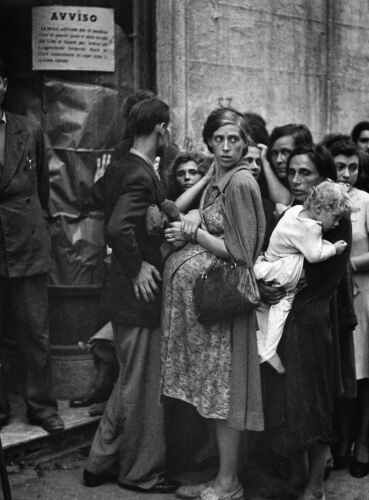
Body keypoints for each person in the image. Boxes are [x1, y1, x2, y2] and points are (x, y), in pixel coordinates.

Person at [162, 107, 266, 500]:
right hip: (209, 309)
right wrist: (193, 214)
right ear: (208, 141)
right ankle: (220, 477)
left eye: (234, 140)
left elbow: (242, 253)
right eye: (218, 139)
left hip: (224, 303)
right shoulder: (219, 177)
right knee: (213, 393)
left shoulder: (241, 183)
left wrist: (194, 234)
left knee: (225, 395)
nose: (225, 147)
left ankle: (229, 483)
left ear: (245, 143)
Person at [83, 97, 178, 494]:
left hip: (125, 298)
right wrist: (138, 266)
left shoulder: (124, 166)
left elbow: (122, 213)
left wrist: (166, 208)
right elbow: (118, 227)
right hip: (139, 297)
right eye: (167, 128)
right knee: (141, 390)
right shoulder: (140, 173)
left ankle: (99, 462)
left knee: (130, 381)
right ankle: (141, 473)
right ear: (160, 128)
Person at [260, 144, 354, 500]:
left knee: (312, 403)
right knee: (287, 403)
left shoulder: (334, 217)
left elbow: (320, 275)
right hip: (285, 319)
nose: (296, 180)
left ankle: (315, 487)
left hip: (312, 321)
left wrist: (274, 285)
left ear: (323, 179)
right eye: (292, 173)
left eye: (306, 174)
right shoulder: (295, 214)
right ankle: (297, 479)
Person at [0, 58, 64, 433]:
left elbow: (42, 188)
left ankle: (40, 406)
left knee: (34, 330)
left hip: (25, 237)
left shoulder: (29, 129)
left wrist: (37, 226)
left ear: (4, 84)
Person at [255, 181, 349, 374]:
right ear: (319, 208)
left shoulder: (294, 211)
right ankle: (268, 350)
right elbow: (314, 255)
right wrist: (333, 248)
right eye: (336, 217)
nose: (337, 223)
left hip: (272, 263)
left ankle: (263, 346)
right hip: (287, 271)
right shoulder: (312, 227)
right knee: (284, 303)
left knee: (266, 307)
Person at [326, 136, 369, 478]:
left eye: (353, 167)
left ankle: (364, 442)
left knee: (364, 372)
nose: (347, 173)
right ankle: (340, 440)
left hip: (363, 294)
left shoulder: (366, 201)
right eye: (340, 166)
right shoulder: (322, 199)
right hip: (333, 295)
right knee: (341, 371)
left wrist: (347, 265)